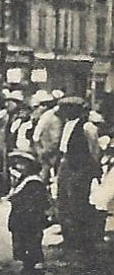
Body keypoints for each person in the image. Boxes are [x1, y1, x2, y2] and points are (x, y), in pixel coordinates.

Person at [54, 97, 100, 251]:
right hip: (66, 163)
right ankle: (68, 238)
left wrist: (90, 171)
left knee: (78, 203)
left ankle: (81, 240)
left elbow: (94, 151)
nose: (64, 111)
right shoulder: (66, 125)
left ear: (77, 109)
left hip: (80, 167)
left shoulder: (87, 127)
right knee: (63, 201)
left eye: (68, 108)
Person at [7, 150, 51, 275]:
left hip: (30, 224)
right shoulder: (22, 181)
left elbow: (36, 206)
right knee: (25, 254)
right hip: (21, 224)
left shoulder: (33, 183)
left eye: (22, 163)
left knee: (33, 253)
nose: (18, 166)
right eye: (16, 162)